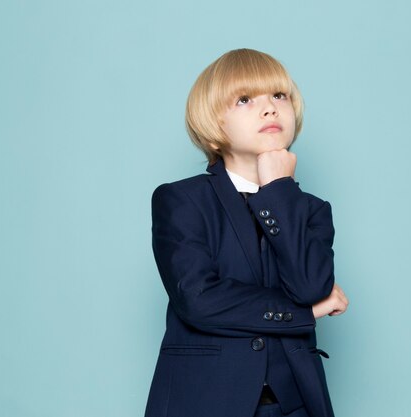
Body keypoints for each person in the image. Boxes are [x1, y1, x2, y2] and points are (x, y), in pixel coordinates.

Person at [145, 48, 349, 417]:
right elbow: (200, 299)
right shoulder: (182, 200)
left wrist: (278, 191)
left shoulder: (312, 209)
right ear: (214, 127)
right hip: (206, 401)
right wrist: (304, 314)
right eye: (244, 99)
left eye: (279, 96)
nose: (269, 108)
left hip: (296, 404)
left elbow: (309, 287)